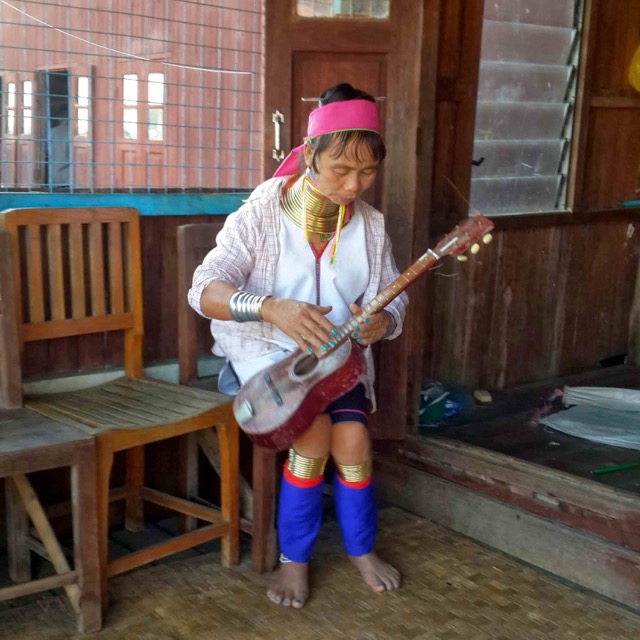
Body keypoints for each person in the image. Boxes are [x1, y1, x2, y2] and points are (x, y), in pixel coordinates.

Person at [188, 82, 408, 608]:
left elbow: (392, 300)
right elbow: (204, 290)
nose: (354, 185)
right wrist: (270, 307)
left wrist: (383, 324)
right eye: (341, 170)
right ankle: (295, 561)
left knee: (353, 441)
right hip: (263, 358)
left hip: (337, 364)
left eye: (368, 172)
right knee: (313, 438)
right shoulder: (261, 213)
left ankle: (360, 549)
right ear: (310, 154)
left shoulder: (372, 229)